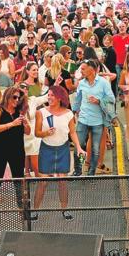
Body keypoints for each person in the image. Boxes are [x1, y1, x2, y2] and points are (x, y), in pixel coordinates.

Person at [32, 85, 85, 221]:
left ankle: (64, 210)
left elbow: (72, 132)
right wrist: (46, 133)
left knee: (63, 181)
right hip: (46, 148)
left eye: (52, 95)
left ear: (60, 98)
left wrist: (78, 147)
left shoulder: (68, 113)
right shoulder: (41, 112)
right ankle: (35, 210)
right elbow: (37, 133)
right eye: (48, 95)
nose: (49, 97)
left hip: (63, 149)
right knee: (43, 182)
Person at [0, 86, 31, 223]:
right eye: (14, 97)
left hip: (16, 149)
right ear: (7, 96)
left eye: (19, 98)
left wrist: (26, 124)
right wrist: (12, 124)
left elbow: (27, 132)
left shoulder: (20, 112)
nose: (17, 100)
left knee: (18, 180)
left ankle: (22, 209)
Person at [72, 59, 116, 176]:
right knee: (79, 147)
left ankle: (91, 172)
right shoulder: (81, 83)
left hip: (98, 122)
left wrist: (99, 101)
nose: (81, 71)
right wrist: (73, 112)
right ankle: (78, 170)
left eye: (83, 69)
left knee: (95, 149)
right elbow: (78, 99)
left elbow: (112, 99)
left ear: (91, 69)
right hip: (83, 120)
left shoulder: (103, 83)